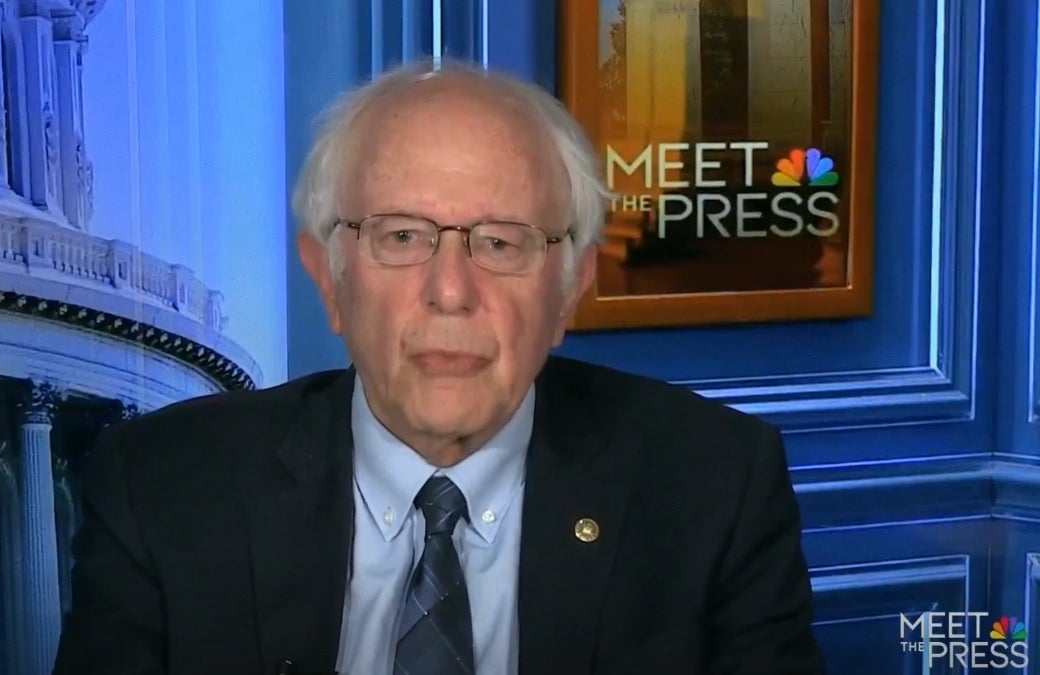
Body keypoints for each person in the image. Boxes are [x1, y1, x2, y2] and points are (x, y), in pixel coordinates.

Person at [52, 59, 826, 675]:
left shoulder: (716, 488)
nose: (451, 291)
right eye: (400, 236)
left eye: (502, 242)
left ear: (569, 290)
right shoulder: (160, 486)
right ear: (328, 279)